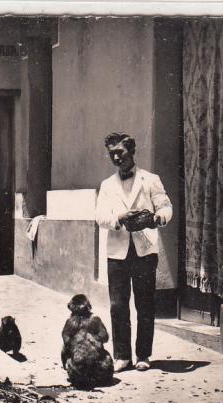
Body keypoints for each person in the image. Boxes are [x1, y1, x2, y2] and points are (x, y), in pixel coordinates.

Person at [94, 133, 172, 372]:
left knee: (145, 303)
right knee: (118, 305)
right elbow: (99, 217)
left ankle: (143, 356)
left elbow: (166, 207)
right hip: (117, 252)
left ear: (132, 151)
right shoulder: (107, 185)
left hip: (144, 250)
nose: (116, 157)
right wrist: (118, 218)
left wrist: (158, 218)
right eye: (112, 154)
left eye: (120, 152)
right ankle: (122, 356)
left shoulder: (150, 180)